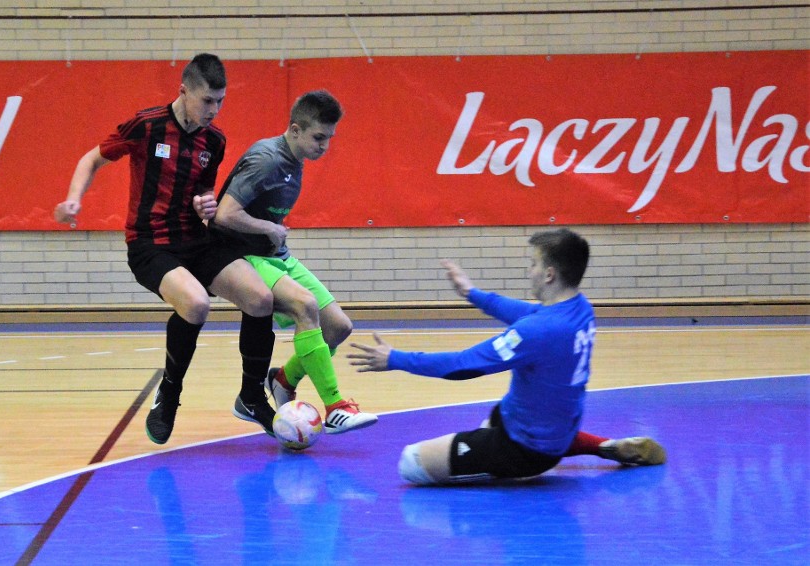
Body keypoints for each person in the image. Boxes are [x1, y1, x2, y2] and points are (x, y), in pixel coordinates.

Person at [54, 53, 278, 444]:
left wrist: (206, 204)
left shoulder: (215, 141)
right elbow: (92, 159)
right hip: (149, 244)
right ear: (184, 91)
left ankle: (252, 395)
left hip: (196, 239)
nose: (214, 109)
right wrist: (74, 199)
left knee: (261, 298)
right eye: (207, 100)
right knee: (196, 304)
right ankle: (169, 394)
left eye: (221, 101)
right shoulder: (147, 125)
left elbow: (204, 192)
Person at [348, 228, 666, 485]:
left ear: (549, 274)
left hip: (526, 449)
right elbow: (527, 312)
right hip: (548, 426)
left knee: (411, 464)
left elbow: (463, 366)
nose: (530, 272)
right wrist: (472, 294)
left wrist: (395, 359)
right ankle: (600, 446)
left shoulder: (539, 332)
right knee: (498, 418)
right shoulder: (580, 310)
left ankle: (518, 460)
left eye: (534, 265)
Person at [211, 90, 377, 434]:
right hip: (242, 257)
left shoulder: (295, 160)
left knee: (339, 327)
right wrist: (268, 227)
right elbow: (224, 215)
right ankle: (335, 407)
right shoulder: (267, 159)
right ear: (296, 129)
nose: (324, 146)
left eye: (329, 139)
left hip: (276, 257)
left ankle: (283, 380)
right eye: (318, 137)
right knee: (305, 305)